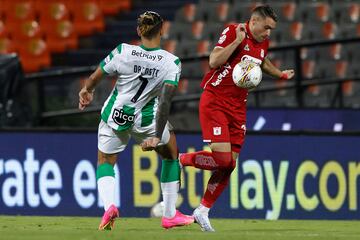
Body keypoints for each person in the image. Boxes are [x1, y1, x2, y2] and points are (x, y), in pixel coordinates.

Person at [179, 5, 295, 232]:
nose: (269, 33)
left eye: (272, 29)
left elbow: (262, 61)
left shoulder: (263, 42)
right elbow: (213, 61)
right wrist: (236, 43)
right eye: (266, 27)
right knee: (223, 161)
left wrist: (280, 74)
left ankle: (202, 211)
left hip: (238, 108)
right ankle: (179, 158)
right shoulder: (234, 31)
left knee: (229, 165)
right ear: (254, 21)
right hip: (215, 101)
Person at [78, 11, 194, 230]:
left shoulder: (123, 51)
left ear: (138, 31)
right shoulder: (171, 62)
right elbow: (166, 101)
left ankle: (109, 206)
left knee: (105, 162)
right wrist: (157, 136)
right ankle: (169, 214)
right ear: (162, 30)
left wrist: (87, 90)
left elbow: (95, 77)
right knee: (171, 154)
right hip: (147, 120)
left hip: (116, 114)